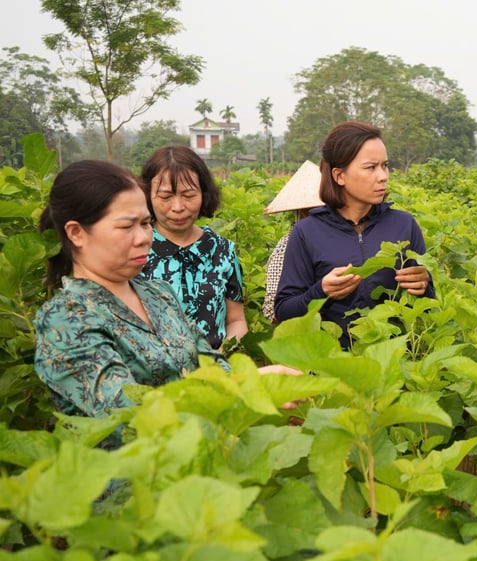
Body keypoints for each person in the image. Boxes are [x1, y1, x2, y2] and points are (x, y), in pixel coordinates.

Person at [33, 160, 228, 428]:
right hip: (129, 467)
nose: (143, 238)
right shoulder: (66, 319)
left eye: (146, 223)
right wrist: (233, 397)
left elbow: (211, 363)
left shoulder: (158, 293)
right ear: (76, 233)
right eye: (127, 227)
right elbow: (127, 414)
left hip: (195, 456)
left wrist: (255, 384)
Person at [274, 121, 433, 348]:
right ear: (339, 176)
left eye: (385, 165)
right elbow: (284, 312)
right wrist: (321, 291)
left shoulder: (404, 225)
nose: (383, 176)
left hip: (394, 366)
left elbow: (430, 305)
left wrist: (424, 285)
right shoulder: (306, 232)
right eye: (371, 167)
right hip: (332, 367)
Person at [139, 145, 247, 349]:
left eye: (188, 195)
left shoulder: (222, 251)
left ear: (203, 193)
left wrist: (221, 358)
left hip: (217, 372)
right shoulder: (135, 249)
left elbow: (236, 321)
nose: (178, 207)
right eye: (165, 197)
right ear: (147, 196)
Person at [262, 160, 323, 323]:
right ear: (300, 214)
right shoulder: (287, 245)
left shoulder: (347, 236)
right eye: (311, 213)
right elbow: (271, 310)